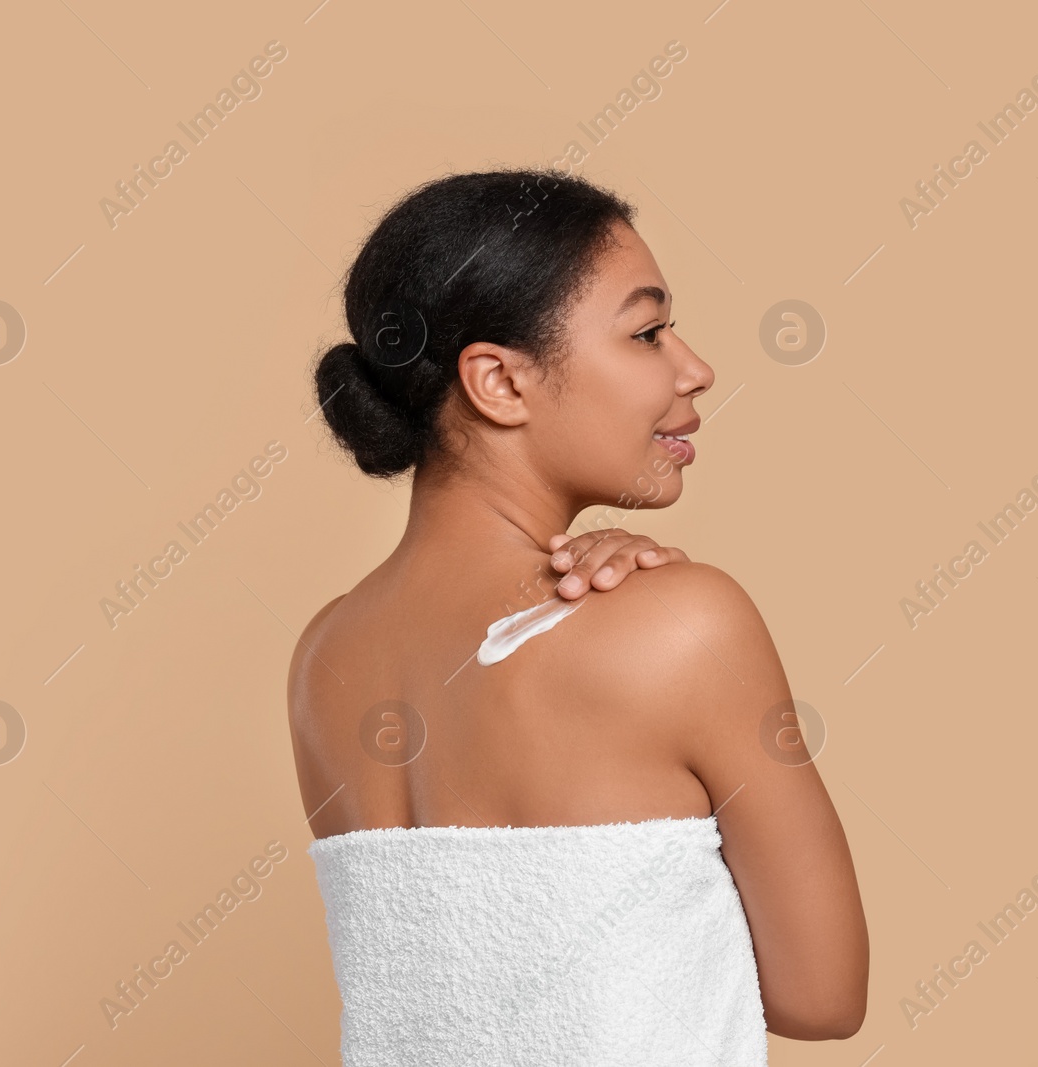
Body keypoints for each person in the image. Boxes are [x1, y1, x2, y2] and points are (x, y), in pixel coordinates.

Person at [288, 169, 867, 1065]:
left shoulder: (326, 654)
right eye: (647, 332)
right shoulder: (683, 626)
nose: (694, 368)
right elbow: (821, 995)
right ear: (500, 383)